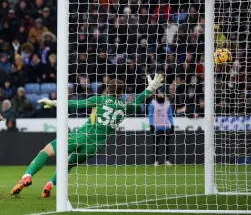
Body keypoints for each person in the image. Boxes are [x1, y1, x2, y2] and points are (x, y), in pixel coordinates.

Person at [11, 74, 164, 197]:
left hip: (81, 136)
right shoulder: (125, 108)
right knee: (69, 165)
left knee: (45, 151)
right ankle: (49, 185)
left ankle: (27, 176)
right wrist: (151, 88)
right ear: (122, 93)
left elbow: (76, 104)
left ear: (107, 90)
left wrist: (54, 102)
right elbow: (138, 100)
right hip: (94, 147)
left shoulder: (99, 99)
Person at [149, 89, 174, 166]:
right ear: (156, 94)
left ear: (164, 94)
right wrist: (151, 125)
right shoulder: (152, 104)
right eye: (159, 93)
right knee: (156, 145)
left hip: (166, 127)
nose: (160, 94)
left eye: (162, 93)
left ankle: (167, 160)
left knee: (167, 145)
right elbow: (150, 115)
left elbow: (170, 115)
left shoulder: (168, 104)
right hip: (157, 128)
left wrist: (172, 125)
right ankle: (155, 161)